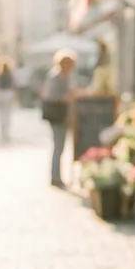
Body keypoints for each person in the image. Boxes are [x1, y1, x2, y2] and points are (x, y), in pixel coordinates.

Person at [41, 50, 76, 187]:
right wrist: (66, 97)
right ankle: (55, 177)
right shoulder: (56, 77)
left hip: (63, 115)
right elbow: (51, 96)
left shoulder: (65, 76)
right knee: (58, 146)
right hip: (57, 115)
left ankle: (57, 176)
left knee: (60, 146)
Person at [0, 57, 17, 142]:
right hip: (8, 94)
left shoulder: (0, 75)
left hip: (1, 94)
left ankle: (3, 131)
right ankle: (6, 132)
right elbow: (14, 86)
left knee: (2, 114)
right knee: (7, 114)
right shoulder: (10, 75)